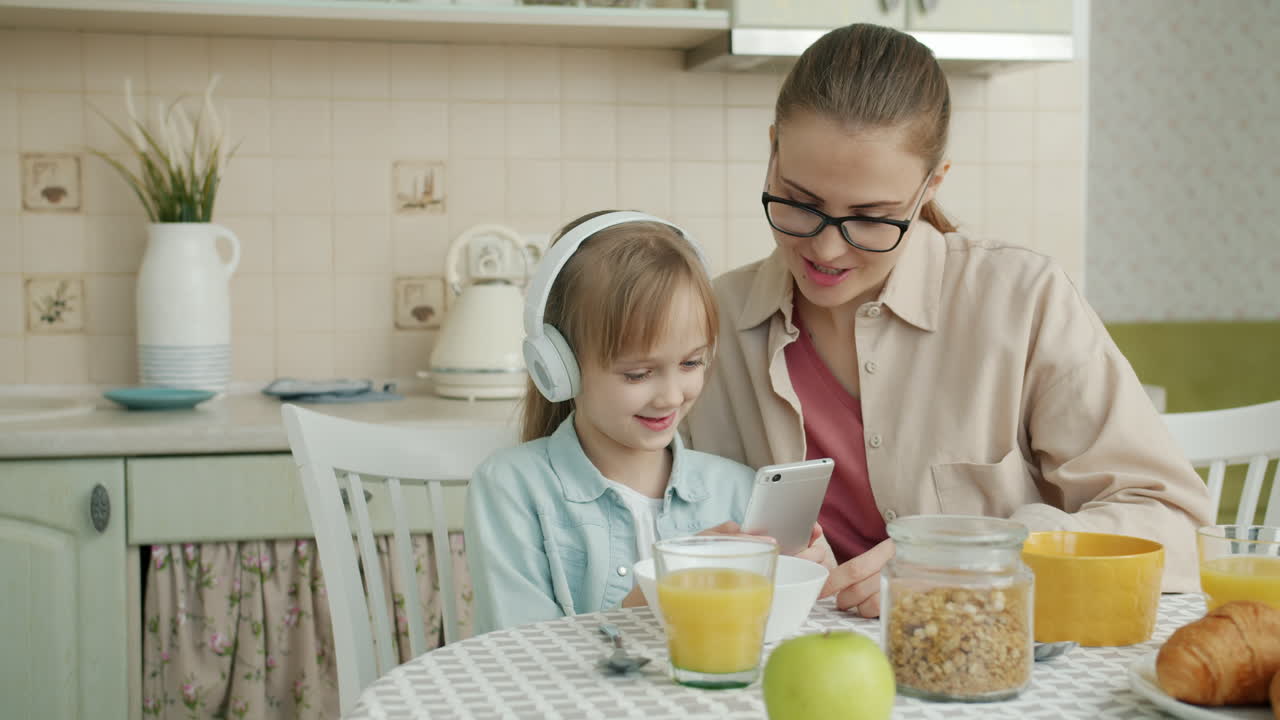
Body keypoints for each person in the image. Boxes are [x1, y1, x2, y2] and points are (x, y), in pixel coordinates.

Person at [685, 24, 1213, 618]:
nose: (827, 251)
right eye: (800, 202)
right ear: (774, 148)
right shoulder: (710, 323)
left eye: (872, 217)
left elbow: (1174, 526)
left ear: (930, 185)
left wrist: (987, 558)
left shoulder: (1023, 300)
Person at [465, 210, 834, 635]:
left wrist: (812, 581)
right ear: (560, 367)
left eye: (691, 362)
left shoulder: (737, 490)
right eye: (638, 374)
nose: (672, 396)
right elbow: (517, 655)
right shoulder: (511, 490)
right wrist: (642, 609)